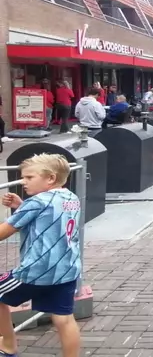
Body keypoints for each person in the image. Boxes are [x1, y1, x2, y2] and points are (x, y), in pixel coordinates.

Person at [0, 153, 82, 357]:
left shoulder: (37, 201)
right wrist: (21, 207)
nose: (23, 182)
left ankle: (8, 345)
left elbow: (3, 233)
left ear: (50, 178)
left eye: (29, 177)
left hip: (37, 271)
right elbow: (48, 221)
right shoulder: (71, 197)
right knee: (64, 318)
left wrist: (23, 208)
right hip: (67, 269)